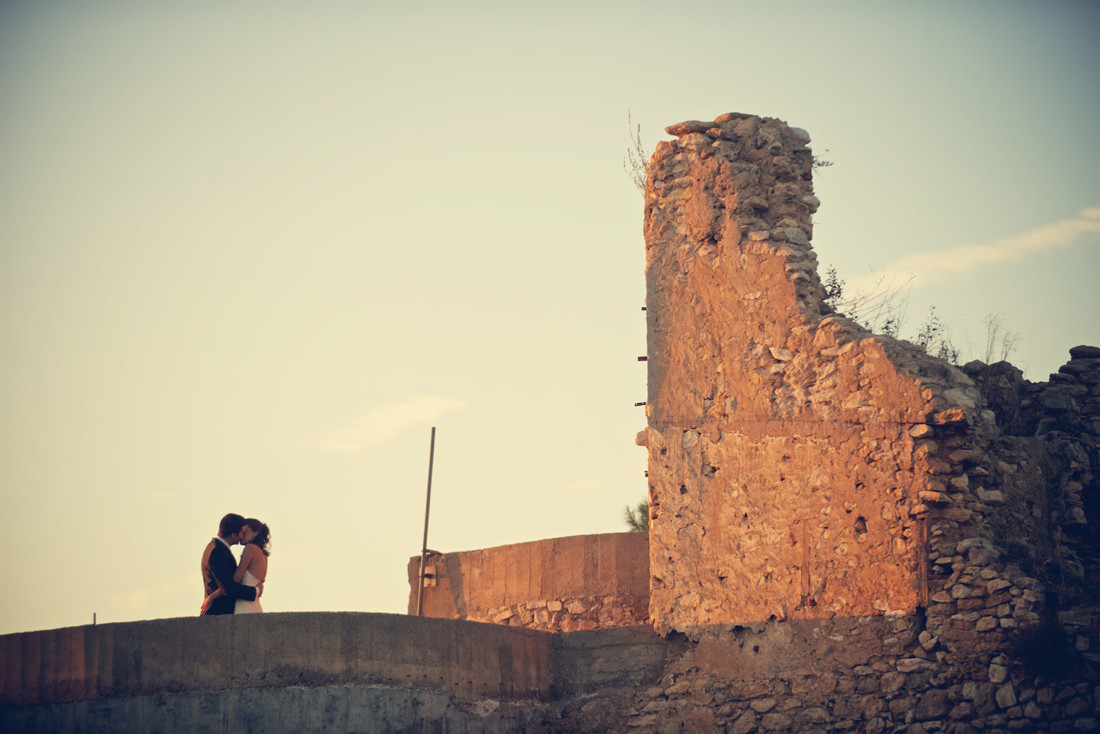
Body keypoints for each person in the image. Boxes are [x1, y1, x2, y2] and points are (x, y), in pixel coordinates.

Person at [199, 513, 261, 616]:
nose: (243, 536)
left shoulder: (214, 547)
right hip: (219, 613)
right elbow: (228, 588)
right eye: (242, 532)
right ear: (234, 535)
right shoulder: (217, 551)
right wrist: (256, 591)